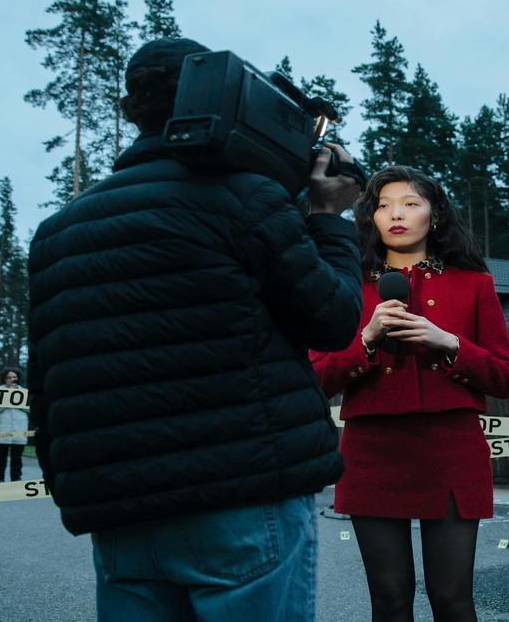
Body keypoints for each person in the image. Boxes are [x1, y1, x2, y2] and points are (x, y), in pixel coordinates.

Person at [27, 37, 363, 621]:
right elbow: (332, 319)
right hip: (243, 496)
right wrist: (328, 218)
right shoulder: (244, 199)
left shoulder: (58, 231)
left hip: (120, 509)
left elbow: (50, 378)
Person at [310, 166, 509, 622]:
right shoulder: (347, 283)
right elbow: (316, 379)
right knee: (388, 598)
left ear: (435, 214)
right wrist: (366, 339)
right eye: (383, 206)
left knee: (452, 599)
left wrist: (450, 344)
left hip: (451, 450)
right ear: (370, 218)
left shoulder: (474, 283)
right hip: (371, 452)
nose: (396, 214)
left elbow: (506, 378)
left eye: (410, 203)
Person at [0, 368, 28, 483]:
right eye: (9, 377)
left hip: (19, 429)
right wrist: (9, 396)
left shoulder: (24, 392)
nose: (12, 379)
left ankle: (16, 478)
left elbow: (30, 409)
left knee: (17, 458)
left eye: (14, 377)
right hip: (3, 429)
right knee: (1, 458)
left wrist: (18, 402)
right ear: (4, 379)